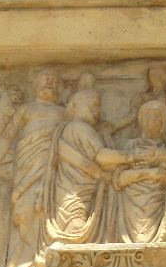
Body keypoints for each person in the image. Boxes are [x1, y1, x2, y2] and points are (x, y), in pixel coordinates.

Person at [0, 69, 66, 267]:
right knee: (24, 208)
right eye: (45, 80)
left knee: (48, 207)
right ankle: (21, 255)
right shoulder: (26, 109)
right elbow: (7, 136)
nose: (49, 83)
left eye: (53, 80)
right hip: (26, 167)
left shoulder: (64, 113)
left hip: (52, 168)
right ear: (35, 85)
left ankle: (44, 254)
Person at [39, 88, 129, 257]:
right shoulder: (79, 128)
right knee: (74, 231)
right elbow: (101, 156)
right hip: (76, 195)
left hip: (77, 192)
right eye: (93, 106)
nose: (97, 111)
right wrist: (131, 157)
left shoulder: (77, 130)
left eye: (99, 107)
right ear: (75, 106)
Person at [114, 101, 166, 243]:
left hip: (162, 204)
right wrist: (152, 174)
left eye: (157, 117)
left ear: (164, 122)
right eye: (149, 116)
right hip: (132, 205)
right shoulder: (132, 145)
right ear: (141, 121)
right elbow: (119, 180)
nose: (153, 121)